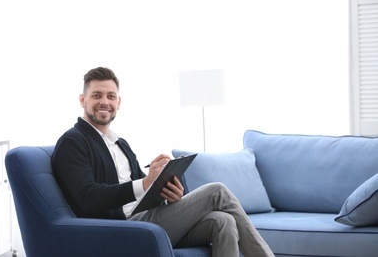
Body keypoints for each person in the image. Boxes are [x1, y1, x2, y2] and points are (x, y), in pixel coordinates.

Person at [52, 67, 274, 257]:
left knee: (223, 221)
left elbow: (141, 191)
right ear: (83, 100)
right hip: (120, 229)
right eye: (96, 95)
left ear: (118, 102)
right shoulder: (73, 142)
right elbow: (89, 198)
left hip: (143, 219)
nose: (104, 102)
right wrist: (146, 183)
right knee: (217, 191)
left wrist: (168, 194)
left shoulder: (120, 143)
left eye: (111, 96)